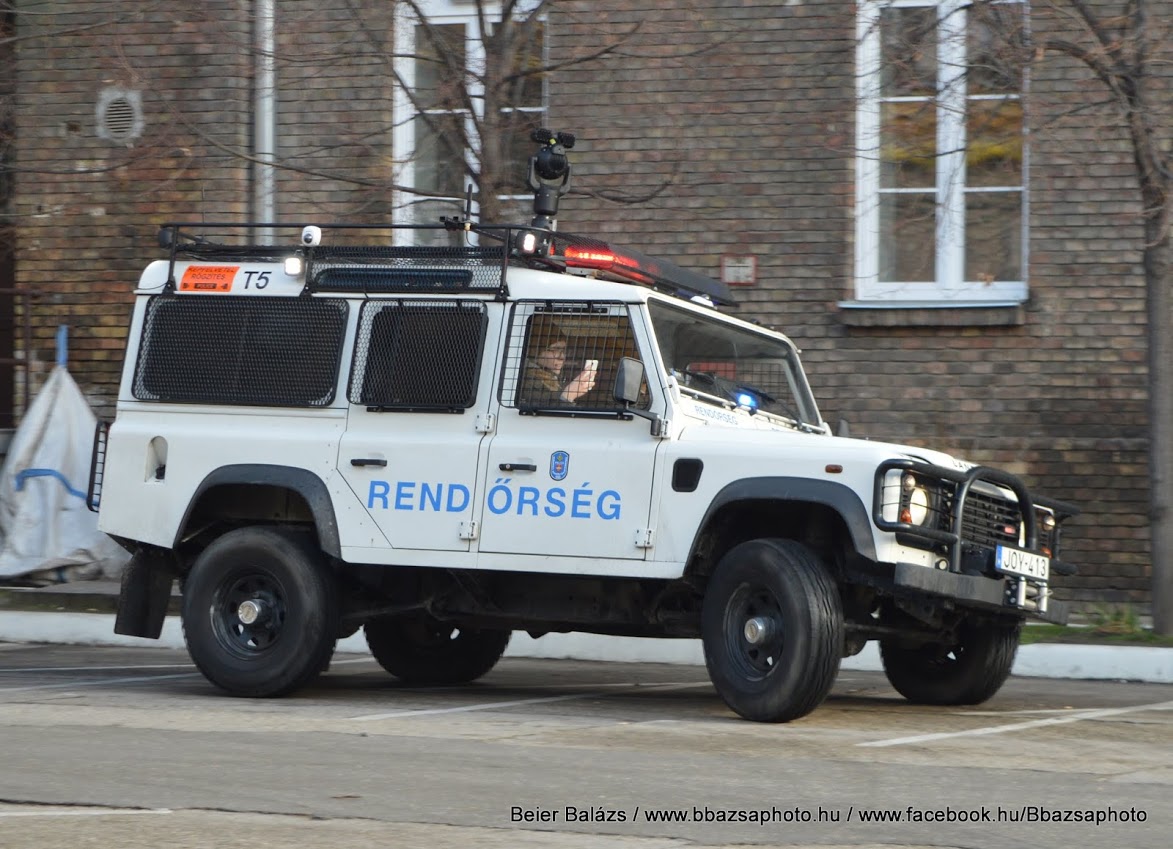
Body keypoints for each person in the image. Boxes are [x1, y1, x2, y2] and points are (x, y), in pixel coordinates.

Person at [519, 333, 597, 406]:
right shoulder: (525, 379)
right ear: (536, 351)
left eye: (564, 351)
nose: (561, 357)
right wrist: (568, 396)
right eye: (555, 350)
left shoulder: (561, 377)